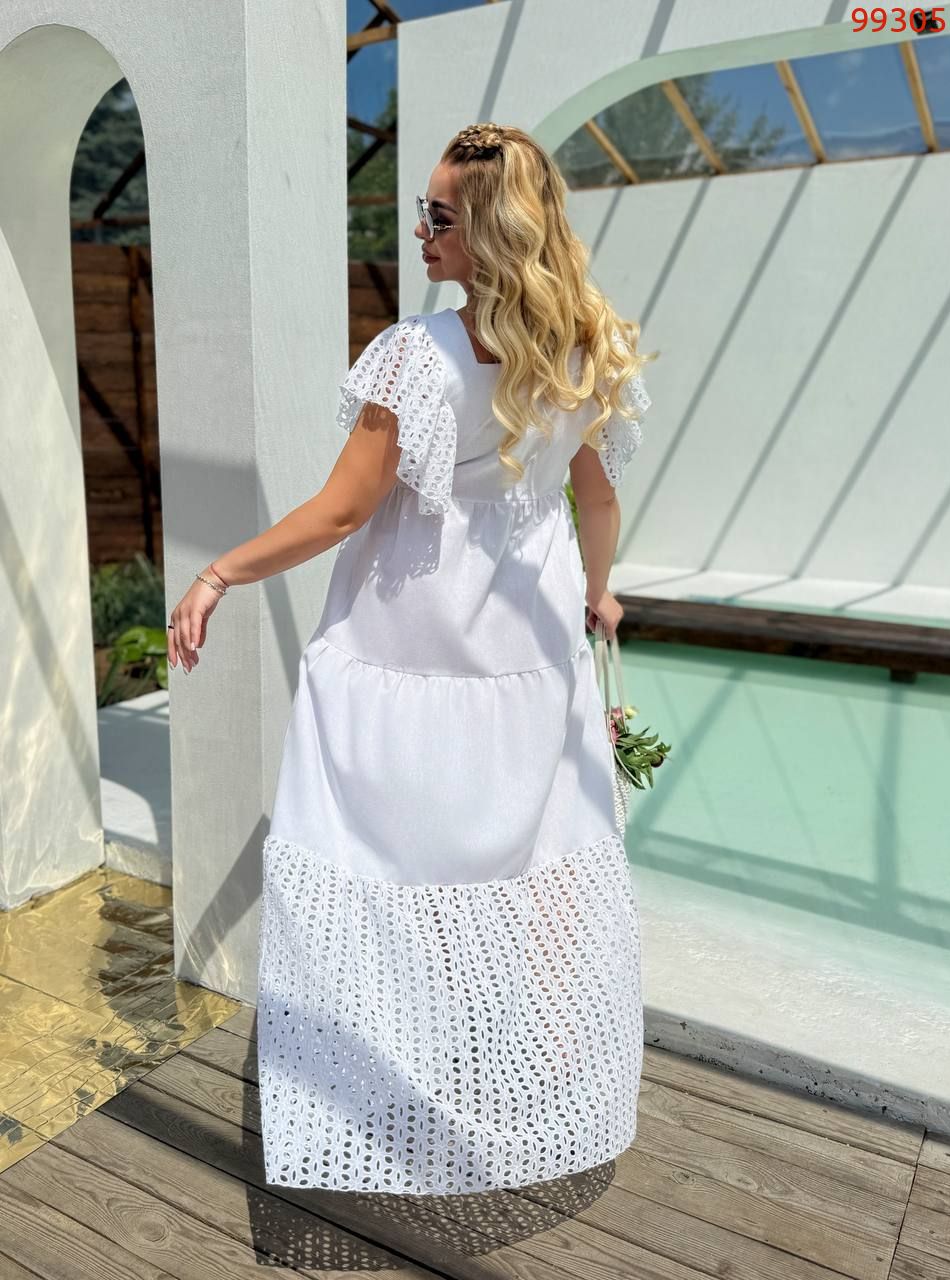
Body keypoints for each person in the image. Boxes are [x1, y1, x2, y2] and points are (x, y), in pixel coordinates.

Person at [167, 122, 656, 1197]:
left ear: (491, 232)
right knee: (529, 860)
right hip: (530, 651)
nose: (420, 231)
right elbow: (597, 497)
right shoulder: (582, 346)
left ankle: (402, 1077)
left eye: (439, 216)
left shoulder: (417, 352)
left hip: (405, 646)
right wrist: (599, 588)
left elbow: (343, 511)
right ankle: (525, 1077)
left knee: (387, 858)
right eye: (421, 212)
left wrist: (218, 574)